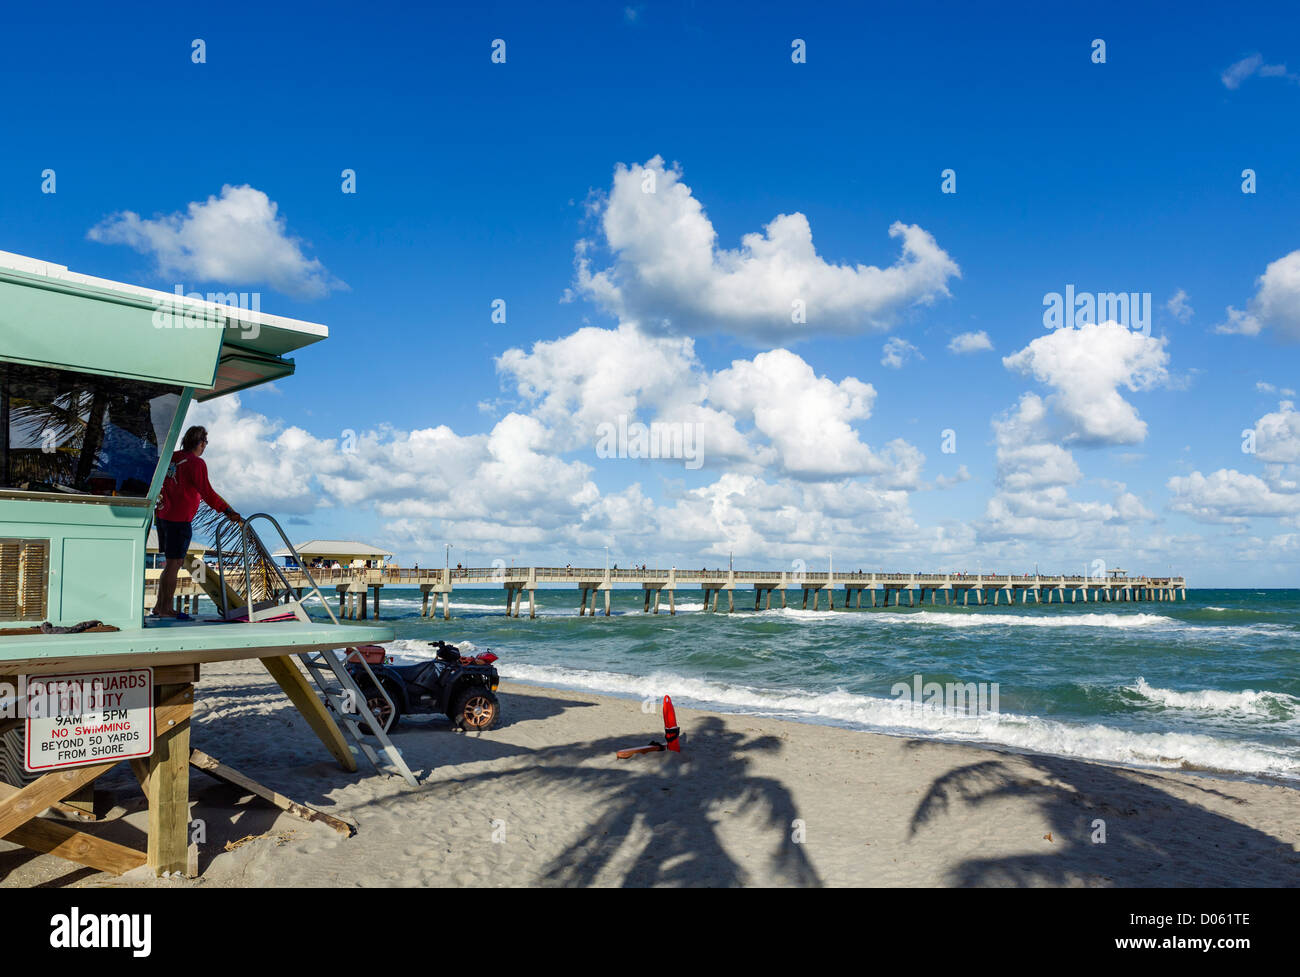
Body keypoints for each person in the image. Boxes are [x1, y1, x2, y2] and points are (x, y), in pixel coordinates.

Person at [152, 425, 241, 620]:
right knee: (174, 564)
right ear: (201, 443)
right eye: (205, 443)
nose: (205, 446)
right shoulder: (196, 463)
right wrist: (228, 511)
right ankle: (165, 608)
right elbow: (207, 492)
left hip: (163, 516)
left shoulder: (171, 458)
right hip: (179, 519)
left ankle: (160, 606)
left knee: (170, 564)